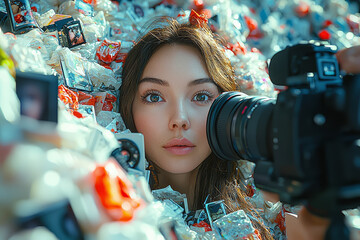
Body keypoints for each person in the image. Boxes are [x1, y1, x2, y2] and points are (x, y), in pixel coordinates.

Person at [119, 16, 273, 239]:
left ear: (227, 107)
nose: (179, 119)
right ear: (128, 108)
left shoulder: (276, 214)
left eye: (201, 96)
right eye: (154, 97)